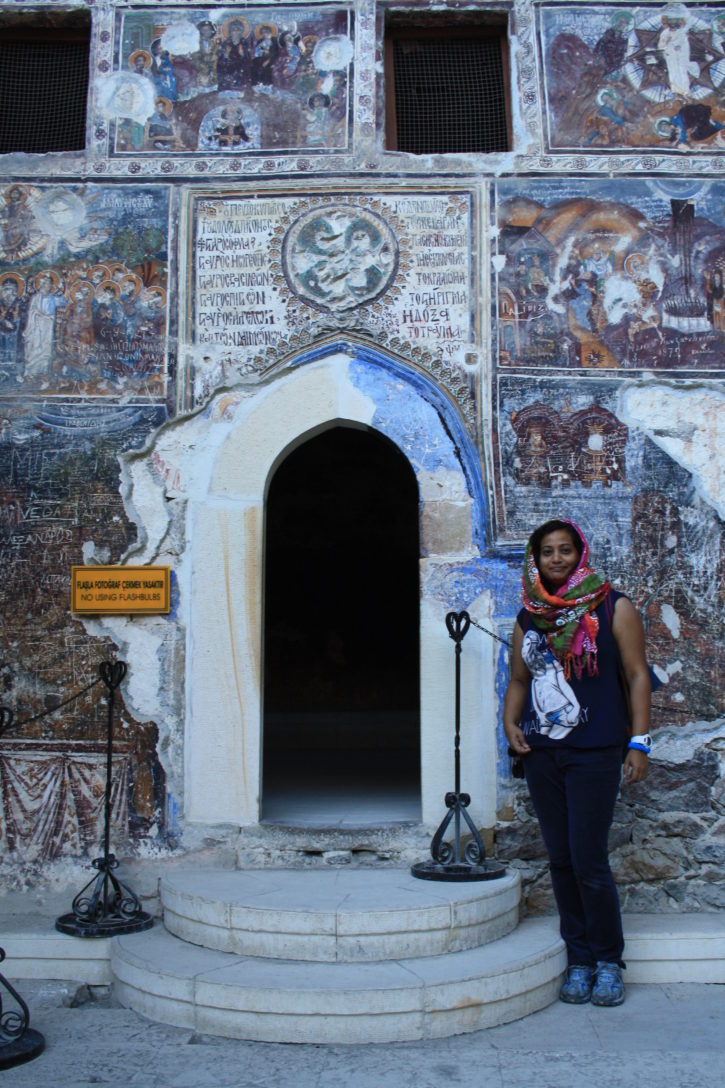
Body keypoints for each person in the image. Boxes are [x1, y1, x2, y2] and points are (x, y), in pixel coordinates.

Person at [503, 518, 651, 1007]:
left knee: (589, 861)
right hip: (544, 752)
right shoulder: (529, 617)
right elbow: (521, 681)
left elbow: (635, 676)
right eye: (547, 551)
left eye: (566, 550)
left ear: (580, 553)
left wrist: (640, 742)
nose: (557, 559)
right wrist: (509, 723)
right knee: (562, 861)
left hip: (596, 749)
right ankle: (580, 959)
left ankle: (608, 960)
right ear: (536, 559)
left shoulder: (613, 605)